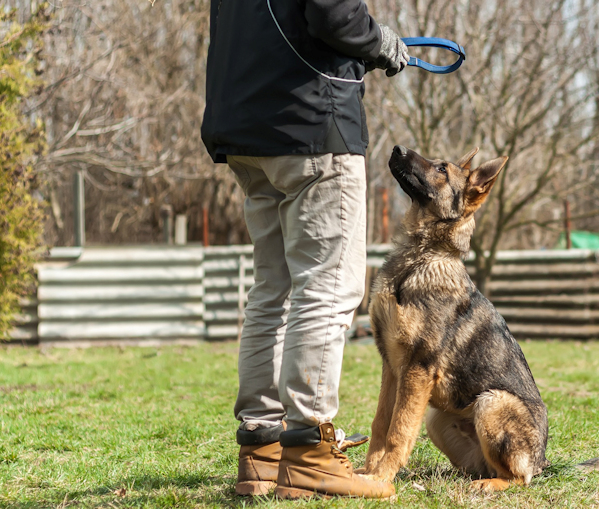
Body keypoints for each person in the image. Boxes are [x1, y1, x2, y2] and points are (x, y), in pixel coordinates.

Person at [200, 0, 408, 500]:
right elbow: (334, 14)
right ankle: (310, 450)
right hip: (312, 122)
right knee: (327, 288)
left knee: (272, 290)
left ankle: (262, 448)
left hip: (244, 123)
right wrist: (378, 41)